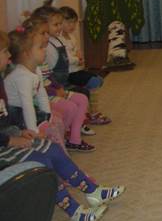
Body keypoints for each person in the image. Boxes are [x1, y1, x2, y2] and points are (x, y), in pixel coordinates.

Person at [0, 31, 125, 221]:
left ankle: (93, 191)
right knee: (41, 160)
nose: (9, 55)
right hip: (4, 147)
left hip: (9, 136)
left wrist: (20, 132)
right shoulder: (15, 76)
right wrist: (10, 140)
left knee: (53, 149)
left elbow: (5, 118)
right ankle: (75, 212)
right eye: (4, 51)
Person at [5, 22, 95, 152]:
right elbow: (27, 105)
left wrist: (47, 116)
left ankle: (60, 147)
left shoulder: (36, 69)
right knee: (52, 127)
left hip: (30, 110)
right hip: (17, 116)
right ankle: (55, 150)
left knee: (55, 120)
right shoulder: (22, 76)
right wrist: (35, 131)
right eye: (41, 48)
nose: (45, 50)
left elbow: (41, 94)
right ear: (26, 54)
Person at [59, 6, 111, 125]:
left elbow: (77, 52)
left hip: (77, 70)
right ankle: (93, 113)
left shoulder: (71, 37)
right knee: (94, 82)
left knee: (99, 80)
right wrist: (77, 59)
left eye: (74, 22)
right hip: (69, 73)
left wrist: (80, 57)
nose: (72, 25)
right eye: (68, 22)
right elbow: (67, 58)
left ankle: (87, 110)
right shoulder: (60, 40)